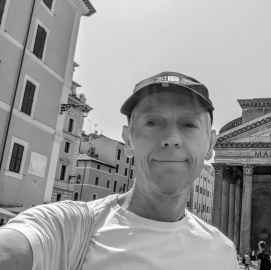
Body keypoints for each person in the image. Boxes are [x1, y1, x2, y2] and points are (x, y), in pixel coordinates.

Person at [0, 71, 240, 270]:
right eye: (152, 122)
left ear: (210, 144)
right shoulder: (66, 228)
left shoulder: (223, 254)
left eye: (189, 124)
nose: (171, 139)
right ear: (127, 140)